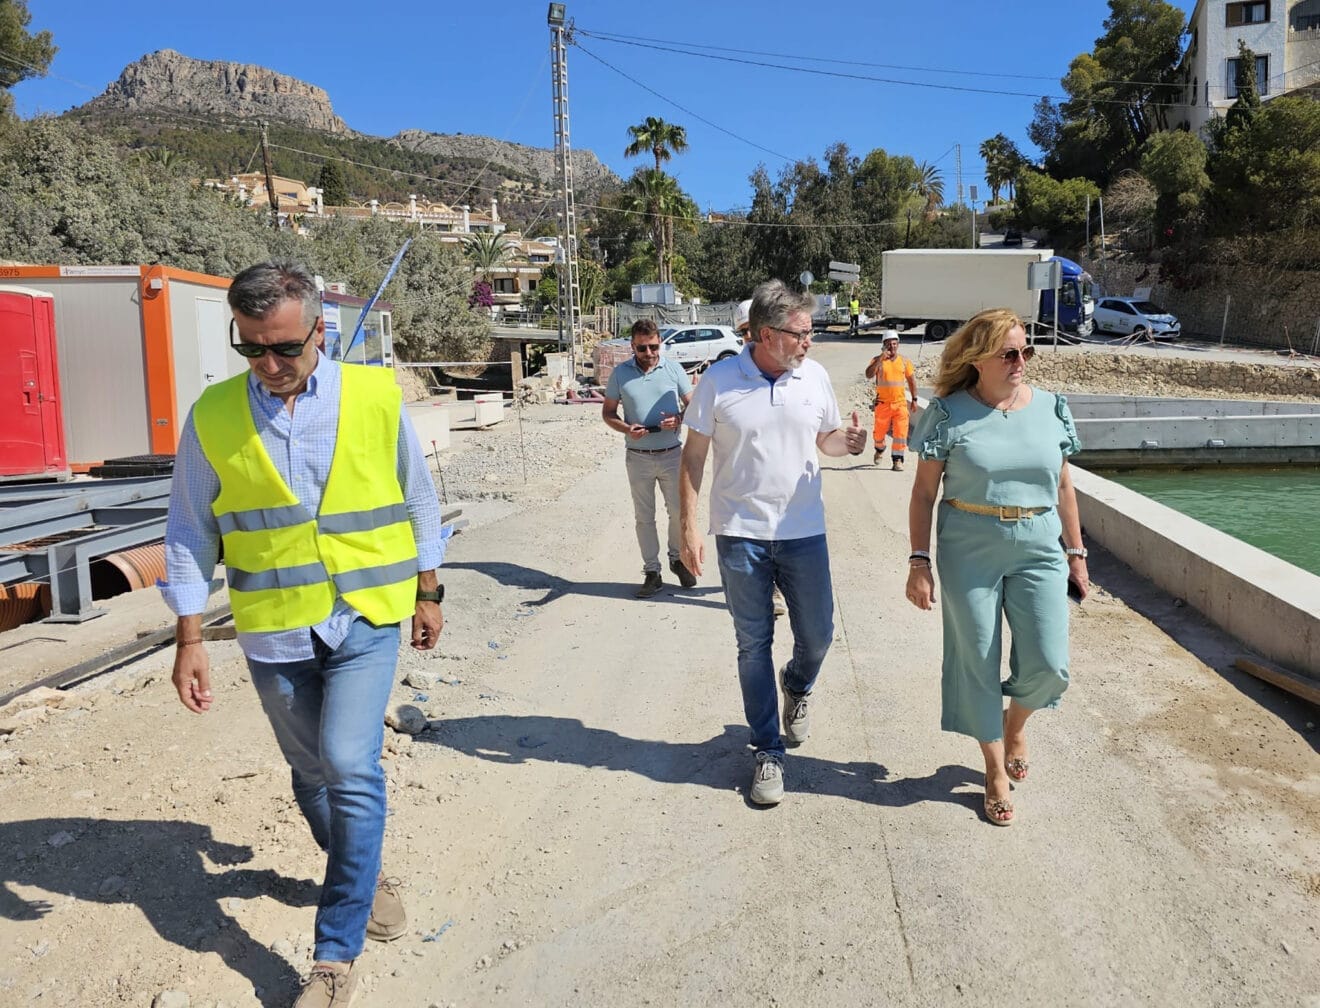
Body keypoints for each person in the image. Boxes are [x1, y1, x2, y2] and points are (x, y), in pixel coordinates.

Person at [161, 260, 447, 1008]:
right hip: (275, 630)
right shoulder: (215, 416)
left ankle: (333, 954)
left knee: (350, 764)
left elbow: (419, 498)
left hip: (365, 614)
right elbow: (190, 529)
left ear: (320, 331)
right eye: (252, 348)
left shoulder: (375, 397)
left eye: (285, 347)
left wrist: (429, 591)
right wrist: (190, 637)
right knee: (312, 773)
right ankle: (364, 869)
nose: (270, 365)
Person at [680, 279, 868, 806]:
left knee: (820, 634)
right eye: (801, 333)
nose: (809, 342)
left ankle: (798, 684)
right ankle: (766, 750)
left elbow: (824, 437)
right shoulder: (719, 380)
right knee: (751, 643)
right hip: (740, 534)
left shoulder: (815, 377)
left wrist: (845, 442)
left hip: (803, 531)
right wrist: (688, 527)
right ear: (767, 334)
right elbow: (693, 458)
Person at [905, 308, 1089, 827]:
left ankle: (1016, 722)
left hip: (1039, 544)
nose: (1021, 361)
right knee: (977, 658)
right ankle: (992, 768)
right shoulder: (947, 414)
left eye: (1026, 351)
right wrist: (919, 561)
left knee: (1050, 664)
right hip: (969, 544)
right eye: (1009, 353)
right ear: (978, 358)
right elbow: (923, 495)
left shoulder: (1051, 408)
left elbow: (1064, 486)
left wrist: (1076, 554)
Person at [602, 318, 696, 598]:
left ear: (660, 344)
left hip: (671, 454)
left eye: (654, 347)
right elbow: (608, 414)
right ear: (632, 347)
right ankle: (652, 571)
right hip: (638, 456)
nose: (649, 354)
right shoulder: (620, 374)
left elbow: (694, 406)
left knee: (679, 512)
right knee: (644, 516)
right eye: (642, 349)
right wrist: (626, 428)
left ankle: (677, 559)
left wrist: (679, 418)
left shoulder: (674, 369)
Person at [733, 298, 787, 620]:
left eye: (753, 331)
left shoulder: (793, 372)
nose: (749, 338)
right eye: (743, 332)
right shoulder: (727, 375)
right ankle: (767, 590)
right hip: (747, 487)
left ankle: (777, 587)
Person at [864, 330, 918, 471]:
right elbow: (869, 374)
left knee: (900, 433)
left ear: (898, 345)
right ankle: (880, 449)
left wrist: (914, 399)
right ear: (884, 345)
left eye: (895, 344)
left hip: (900, 404)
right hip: (883, 404)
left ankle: (897, 460)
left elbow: (912, 381)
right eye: (889, 344)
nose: (892, 347)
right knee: (879, 434)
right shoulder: (877, 360)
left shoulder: (905, 361)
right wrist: (881, 358)